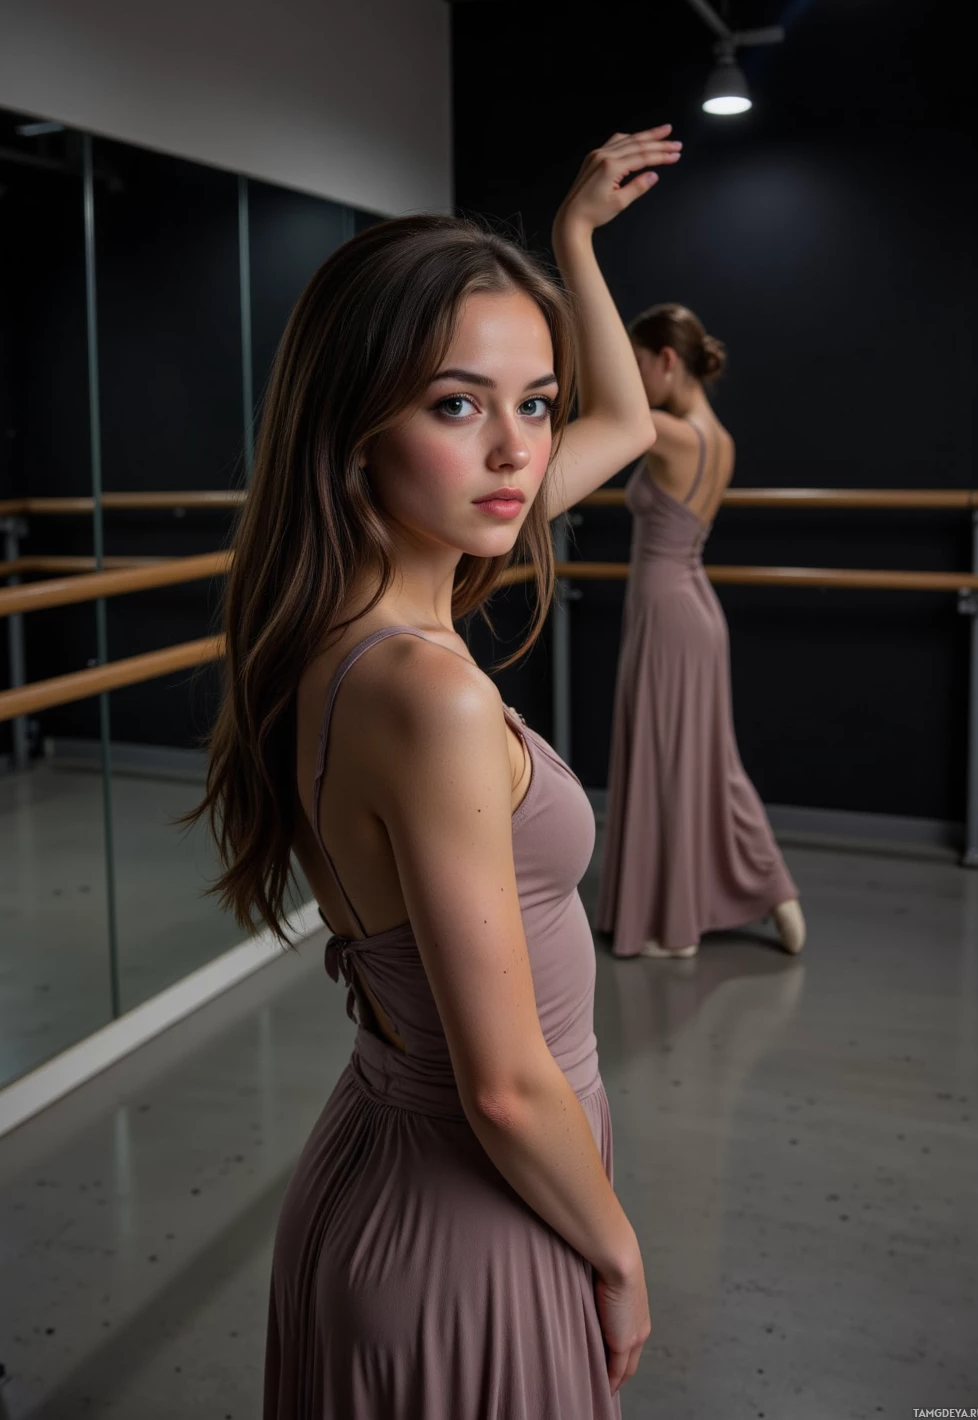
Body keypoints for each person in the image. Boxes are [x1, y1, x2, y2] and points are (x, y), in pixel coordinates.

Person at [197, 128, 683, 1418]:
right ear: (355, 425)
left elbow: (625, 420)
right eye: (456, 404)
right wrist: (619, 1250)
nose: (518, 453)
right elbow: (507, 1084)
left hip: (388, 1167)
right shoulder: (429, 690)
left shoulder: (352, 617)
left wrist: (572, 238)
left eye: (532, 403)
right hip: (473, 1210)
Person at [595, 303, 806, 960]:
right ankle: (774, 897)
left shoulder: (668, 433)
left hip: (666, 611)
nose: (633, 376)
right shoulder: (721, 441)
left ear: (665, 362)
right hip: (693, 608)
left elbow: (610, 409)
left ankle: (678, 921)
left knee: (672, 759)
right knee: (702, 761)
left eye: (638, 363)